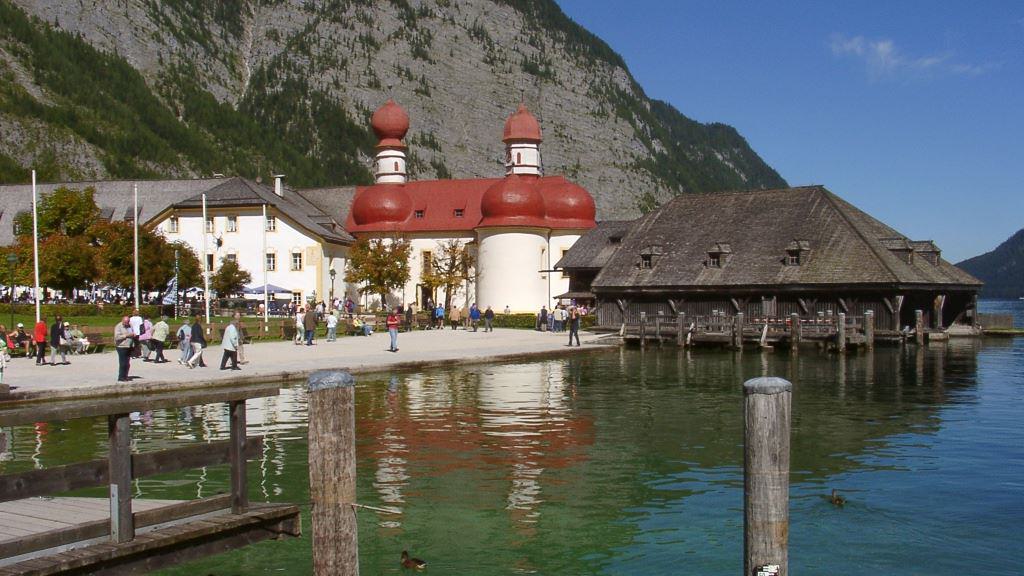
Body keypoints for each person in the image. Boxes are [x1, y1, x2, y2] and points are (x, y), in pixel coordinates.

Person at [114, 316, 133, 381]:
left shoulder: (130, 325)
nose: (126, 324)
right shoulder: (118, 326)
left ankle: (125, 376)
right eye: (125, 322)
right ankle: (121, 377)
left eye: (127, 322)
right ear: (122, 321)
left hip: (129, 346)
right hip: (121, 346)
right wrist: (126, 336)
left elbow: (131, 333)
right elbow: (117, 337)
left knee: (127, 363)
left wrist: (133, 335)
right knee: (123, 362)